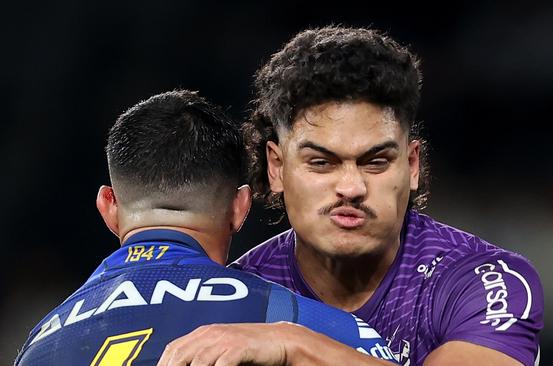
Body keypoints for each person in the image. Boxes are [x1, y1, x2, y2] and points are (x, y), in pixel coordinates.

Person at [160, 27, 544, 366]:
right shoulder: (236, 295)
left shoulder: (483, 281)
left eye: (375, 162)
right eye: (321, 163)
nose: (351, 187)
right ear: (276, 167)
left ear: (411, 166)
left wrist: (292, 344)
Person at [14, 90, 396, 365]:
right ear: (240, 207)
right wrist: (293, 344)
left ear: (108, 206)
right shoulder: (296, 320)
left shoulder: (38, 344)